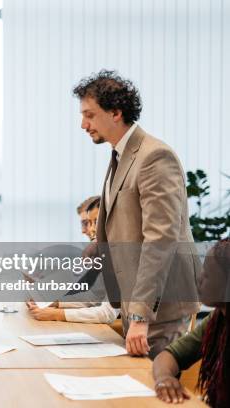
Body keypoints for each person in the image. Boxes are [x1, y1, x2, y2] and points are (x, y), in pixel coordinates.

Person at [73, 70, 200, 358]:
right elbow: (121, 229)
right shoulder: (121, 154)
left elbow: (161, 239)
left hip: (159, 307)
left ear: (116, 112)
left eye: (90, 115)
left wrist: (141, 316)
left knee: (152, 393)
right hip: (134, 301)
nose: (83, 124)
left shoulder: (154, 156)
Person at [152, 239, 230, 407]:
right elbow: (170, 355)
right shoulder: (217, 319)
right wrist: (164, 378)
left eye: (207, 275)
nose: (199, 279)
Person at [27, 196, 119, 324]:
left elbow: (108, 312)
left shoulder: (120, 255)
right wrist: (56, 303)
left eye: (95, 222)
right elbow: (94, 298)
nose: (90, 229)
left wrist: (57, 313)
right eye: (88, 223)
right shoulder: (101, 253)